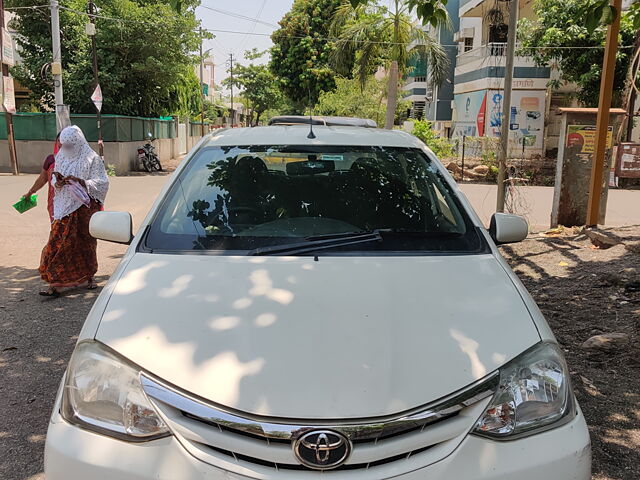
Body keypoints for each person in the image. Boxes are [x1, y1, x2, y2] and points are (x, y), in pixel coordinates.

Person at [39, 126, 109, 297]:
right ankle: (54, 283)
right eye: (64, 145)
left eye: (70, 146)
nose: (66, 149)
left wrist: (82, 182)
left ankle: (90, 276)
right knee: (57, 244)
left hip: (84, 208)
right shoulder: (61, 155)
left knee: (86, 243)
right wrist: (59, 182)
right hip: (63, 207)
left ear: (78, 143)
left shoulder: (92, 158)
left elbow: (102, 182)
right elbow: (54, 178)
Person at [23, 134, 61, 223]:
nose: (61, 143)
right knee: (57, 229)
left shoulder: (80, 161)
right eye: (59, 140)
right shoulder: (51, 159)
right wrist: (29, 193)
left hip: (75, 204)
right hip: (55, 203)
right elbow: (42, 179)